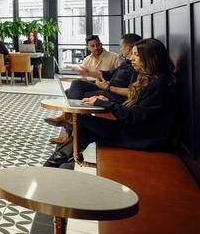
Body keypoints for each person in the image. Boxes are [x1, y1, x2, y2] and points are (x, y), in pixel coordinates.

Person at [44, 38, 175, 168]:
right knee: (83, 121)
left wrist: (105, 103)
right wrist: (107, 101)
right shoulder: (151, 78)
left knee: (83, 123)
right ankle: (59, 161)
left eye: (136, 55)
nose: (131, 59)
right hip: (132, 129)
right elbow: (136, 109)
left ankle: (56, 162)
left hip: (141, 137)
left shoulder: (158, 84)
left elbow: (135, 116)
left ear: (150, 58)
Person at [45, 33, 141, 142]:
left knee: (71, 92)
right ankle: (70, 121)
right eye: (92, 46)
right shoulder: (126, 63)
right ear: (88, 47)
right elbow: (108, 73)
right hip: (103, 86)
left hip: (112, 93)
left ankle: (69, 124)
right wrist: (89, 73)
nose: (96, 47)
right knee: (76, 84)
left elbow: (132, 91)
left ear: (128, 48)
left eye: (121, 47)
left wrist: (106, 85)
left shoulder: (121, 60)